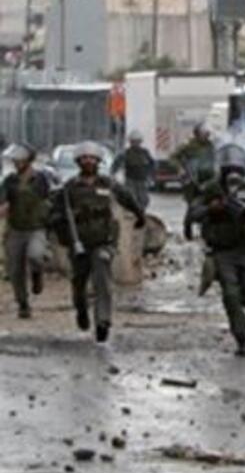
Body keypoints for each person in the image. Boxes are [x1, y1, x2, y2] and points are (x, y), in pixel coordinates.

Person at [48, 141, 146, 343]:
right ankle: (81, 310)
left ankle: (103, 321)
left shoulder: (108, 184)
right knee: (79, 283)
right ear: (78, 162)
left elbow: (127, 197)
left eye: (92, 158)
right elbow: (53, 213)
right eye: (84, 158)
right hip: (79, 244)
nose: (88, 161)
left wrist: (139, 214)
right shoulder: (69, 189)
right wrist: (58, 224)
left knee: (103, 281)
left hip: (103, 241)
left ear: (98, 161)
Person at [188, 144, 245, 356]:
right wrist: (212, 208)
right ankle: (242, 337)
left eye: (237, 170)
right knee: (230, 294)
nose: (233, 175)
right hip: (223, 251)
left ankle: (242, 315)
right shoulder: (211, 190)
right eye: (228, 170)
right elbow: (193, 213)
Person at [1, 144, 52, 319]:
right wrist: (4, 206)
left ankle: (37, 275)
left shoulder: (41, 178)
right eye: (14, 160)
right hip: (15, 229)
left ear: (28, 160)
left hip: (36, 228)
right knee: (15, 270)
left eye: (19, 160)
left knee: (35, 255)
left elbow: (49, 198)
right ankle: (23, 304)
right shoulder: (10, 180)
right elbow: (3, 199)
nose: (16, 163)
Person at [111, 131, 155, 210]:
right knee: (131, 198)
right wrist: (113, 174)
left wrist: (150, 175)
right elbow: (116, 164)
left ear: (140, 142)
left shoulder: (145, 152)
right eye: (133, 142)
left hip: (142, 180)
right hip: (130, 179)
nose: (135, 144)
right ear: (130, 142)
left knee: (144, 199)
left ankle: (141, 212)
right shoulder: (126, 153)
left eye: (137, 141)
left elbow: (152, 164)